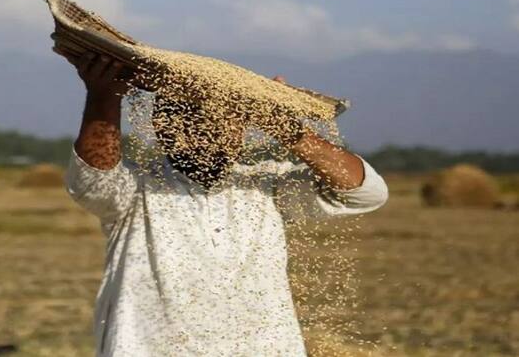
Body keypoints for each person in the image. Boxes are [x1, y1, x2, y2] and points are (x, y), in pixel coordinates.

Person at [52, 44, 389, 356]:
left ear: (242, 126)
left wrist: (287, 128)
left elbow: (365, 192)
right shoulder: (137, 190)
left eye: (220, 118)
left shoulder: (266, 183)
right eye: (183, 118)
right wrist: (103, 95)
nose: (200, 132)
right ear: (162, 127)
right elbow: (92, 181)